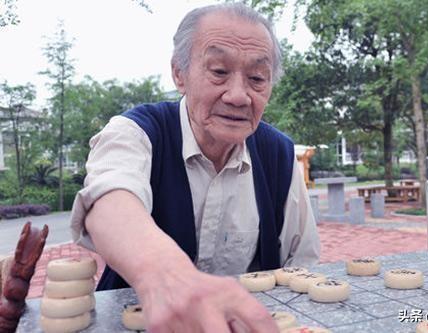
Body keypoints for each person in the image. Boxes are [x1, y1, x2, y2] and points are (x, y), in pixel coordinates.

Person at [70, 3, 320, 332]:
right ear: (179, 73)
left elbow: (301, 266)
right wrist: (167, 276)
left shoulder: (279, 155)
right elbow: (109, 200)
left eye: (257, 78)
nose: (238, 95)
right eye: (219, 71)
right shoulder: (137, 133)